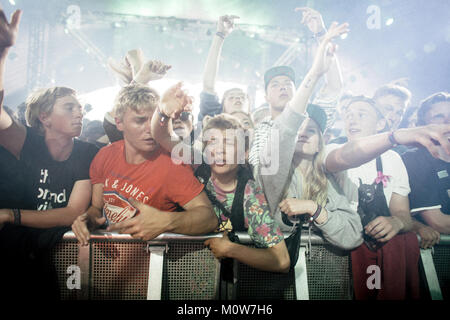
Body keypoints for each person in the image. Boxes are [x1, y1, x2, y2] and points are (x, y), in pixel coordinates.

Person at [0, 8, 98, 299]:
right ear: (44, 117)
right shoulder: (26, 140)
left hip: (45, 262)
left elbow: (72, 212)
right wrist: (3, 52)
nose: (79, 112)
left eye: (80, 107)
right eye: (69, 107)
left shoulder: (86, 152)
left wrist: (10, 215)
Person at [151, 83, 290, 273]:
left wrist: (232, 249)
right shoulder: (197, 164)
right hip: (180, 273)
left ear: (244, 154)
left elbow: (281, 261)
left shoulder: (249, 194)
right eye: (213, 142)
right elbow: (163, 136)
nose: (220, 150)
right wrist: (163, 111)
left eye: (230, 142)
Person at [71, 83, 218, 245]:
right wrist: (86, 220)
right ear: (119, 123)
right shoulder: (105, 155)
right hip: (106, 264)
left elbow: (209, 218)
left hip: (150, 264)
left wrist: (167, 221)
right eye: (140, 121)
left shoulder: (172, 166)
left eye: (154, 120)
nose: (149, 129)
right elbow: (97, 208)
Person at [324, 96, 420, 299]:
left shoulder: (393, 159)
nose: (352, 120)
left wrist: (396, 222)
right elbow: (345, 157)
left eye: (361, 114)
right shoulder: (332, 149)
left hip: (379, 252)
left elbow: (403, 213)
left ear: (380, 124)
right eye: (348, 115)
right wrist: (394, 137)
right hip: (336, 255)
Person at [402, 92, 450, 242]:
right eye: (439, 116)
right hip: (437, 259)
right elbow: (439, 223)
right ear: (423, 124)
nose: (448, 121)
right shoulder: (414, 160)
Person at [198, 15, 250, 123]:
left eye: (242, 97)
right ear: (222, 106)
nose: (237, 99)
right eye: (231, 97)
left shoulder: (259, 130)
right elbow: (208, 86)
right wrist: (220, 35)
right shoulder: (213, 119)